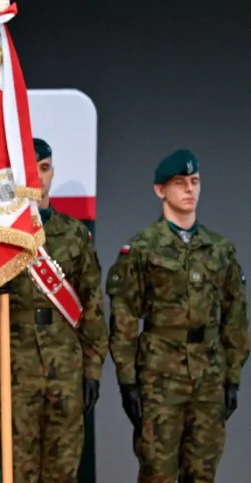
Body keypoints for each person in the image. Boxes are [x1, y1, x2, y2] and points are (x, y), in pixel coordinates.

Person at [0, 138, 108, 482]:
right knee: (17, 472)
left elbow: (93, 310)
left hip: (66, 370)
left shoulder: (74, 234)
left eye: (44, 168)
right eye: (30, 170)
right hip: (15, 369)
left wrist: (93, 371)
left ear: (52, 172)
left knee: (62, 473)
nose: (38, 178)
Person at [106, 149, 249, 483]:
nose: (189, 189)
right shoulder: (142, 248)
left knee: (202, 473)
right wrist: (128, 383)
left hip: (209, 378)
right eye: (179, 182)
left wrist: (233, 377)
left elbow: (236, 316)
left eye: (195, 181)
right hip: (160, 379)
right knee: (158, 473)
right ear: (160, 190)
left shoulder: (220, 248)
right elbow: (124, 317)